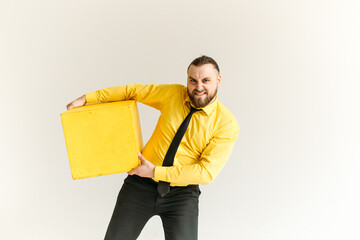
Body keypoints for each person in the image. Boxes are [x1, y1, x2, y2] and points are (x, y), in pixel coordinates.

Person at [66, 55, 239, 240]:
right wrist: (87, 98)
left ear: (218, 81)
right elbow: (133, 91)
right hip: (140, 185)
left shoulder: (226, 124)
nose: (198, 87)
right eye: (192, 80)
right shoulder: (173, 94)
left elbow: (205, 173)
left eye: (206, 80)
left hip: (182, 195)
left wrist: (155, 172)